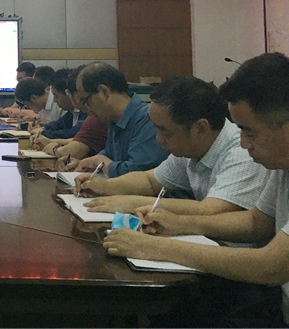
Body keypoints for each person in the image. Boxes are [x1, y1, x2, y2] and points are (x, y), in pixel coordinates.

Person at [103, 53, 289, 326]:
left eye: (249, 132)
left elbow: (271, 266)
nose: (243, 143)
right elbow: (256, 222)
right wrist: (180, 224)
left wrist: (155, 247)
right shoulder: (282, 163)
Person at [72, 76, 267, 216]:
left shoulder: (240, 152)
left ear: (200, 128)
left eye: (165, 131)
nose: (158, 139)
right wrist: (103, 186)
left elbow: (213, 210)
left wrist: (133, 203)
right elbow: (151, 181)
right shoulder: (191, 149)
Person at [72, 62, 168, 177]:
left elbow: (136, 173)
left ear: (104, 92)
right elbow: (109, 155)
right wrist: (86, 163)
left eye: (87, 101)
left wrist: (99, 162)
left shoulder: (147, 119)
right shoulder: (114, 120)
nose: (88, 109)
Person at [30, 68, 86, 145]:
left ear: (69, 93)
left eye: (56, 96)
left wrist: (43, 133)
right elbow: (59, 124)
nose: (54, 100)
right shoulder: (73, 111)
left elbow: (73, 133)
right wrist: (43, 128)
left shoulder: (86, 111)